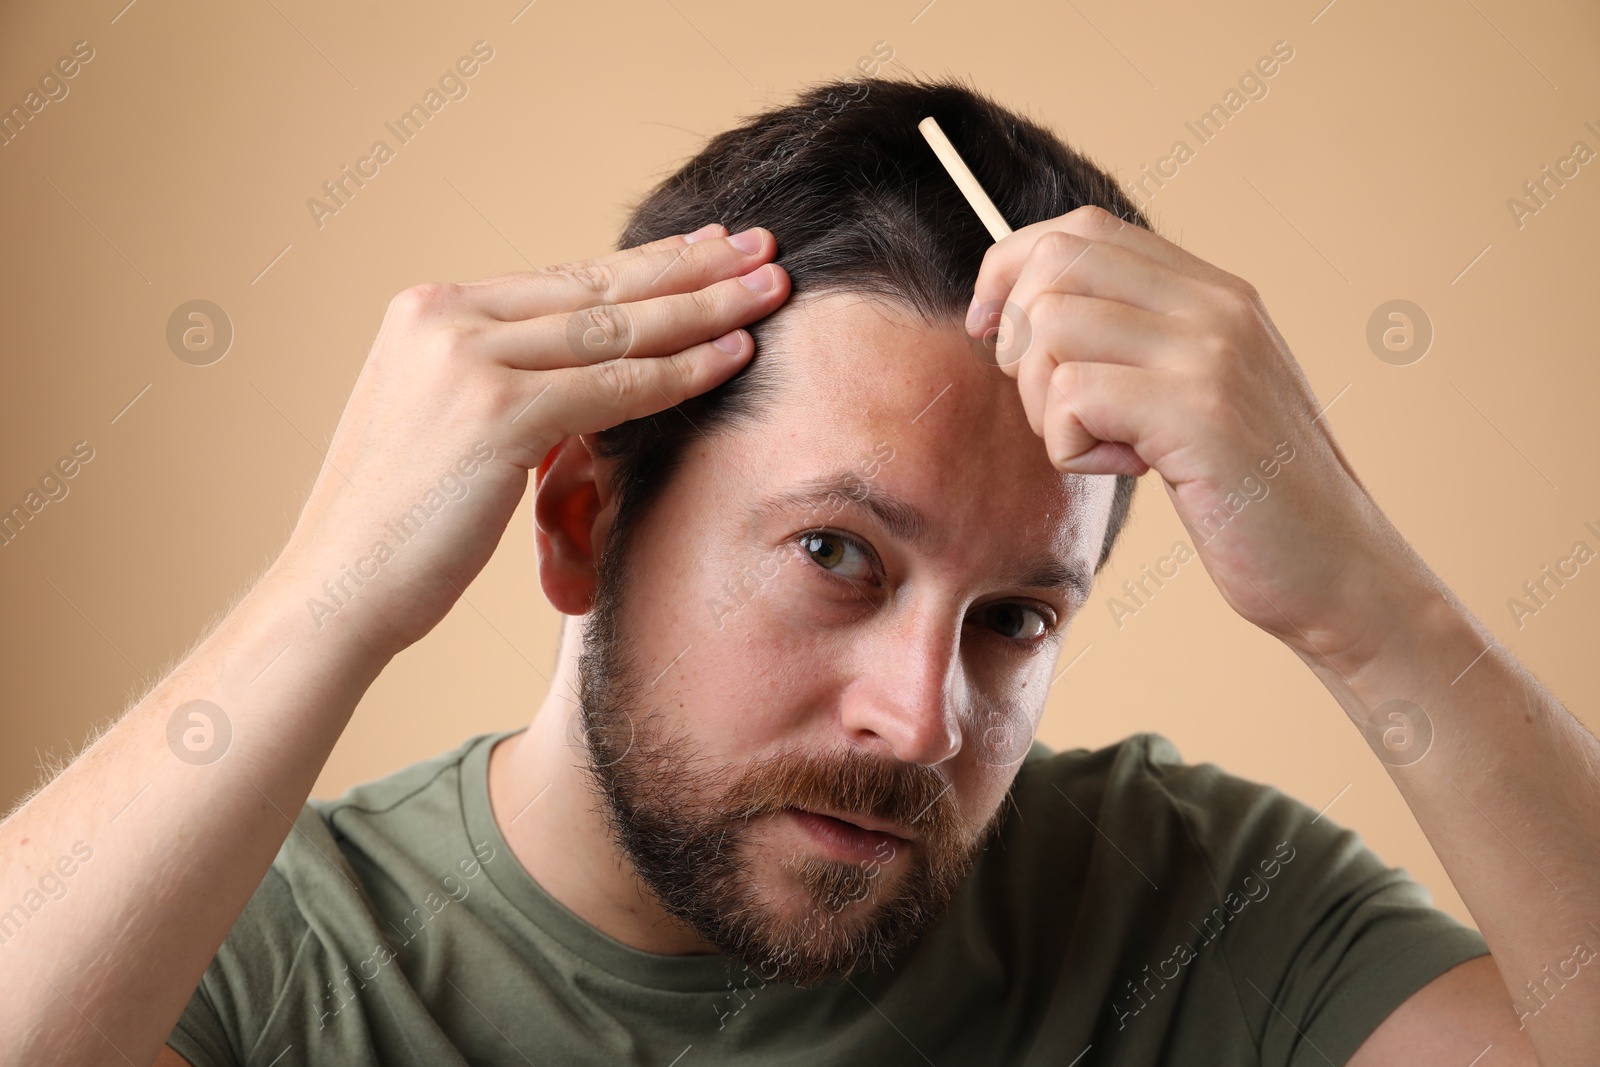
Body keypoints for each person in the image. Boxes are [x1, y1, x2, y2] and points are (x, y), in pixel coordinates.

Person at [2, 77, 1594, 1067]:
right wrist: (329, 592)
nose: (920, 724)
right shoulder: (254, 955)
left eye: (1014, 620)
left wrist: (1375, 610)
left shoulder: (1188, 910)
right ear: (580, 522)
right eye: (837, 554)